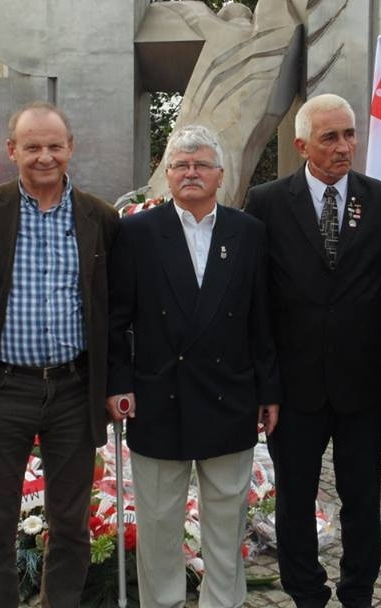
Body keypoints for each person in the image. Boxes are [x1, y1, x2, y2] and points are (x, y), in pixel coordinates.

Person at [106, 124, 280, 608]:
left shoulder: (248, 232)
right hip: (158, 396)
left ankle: (222, 602)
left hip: (229, 394)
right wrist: (118, 383)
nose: (190, 173)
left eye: (201, 164)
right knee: (159, 521)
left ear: (220, 174)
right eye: (180, 165)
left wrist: (269, 391)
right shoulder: (137, 231)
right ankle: (162, 602)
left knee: (226, 519)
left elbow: (261, 319)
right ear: (167, 174)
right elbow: (117, 318)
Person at [0, 101, 120, 607]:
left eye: (54, 145)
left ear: (70, 148)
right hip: (4, 388)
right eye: (33, 147)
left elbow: (112, 307)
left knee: (70, 521)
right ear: (12, 151)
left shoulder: (100, 216)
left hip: (74, 388)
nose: (44, 156)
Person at [244, 93, 381, 608]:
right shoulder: (267, 202)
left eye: (350, 134)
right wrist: (265, 383)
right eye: (330, 137)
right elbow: (259, 302)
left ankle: (358, 591)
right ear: (301, 145)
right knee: (294, 500)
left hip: (363, 384)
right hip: (296, 386)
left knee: (362, 499)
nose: (344, 146)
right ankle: (306, 592)